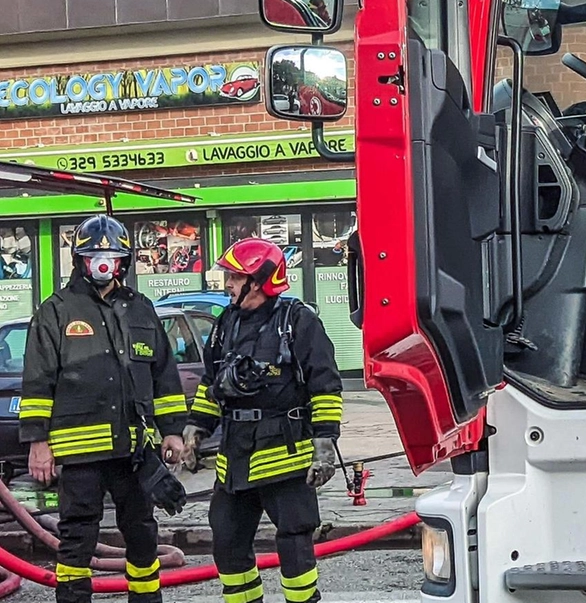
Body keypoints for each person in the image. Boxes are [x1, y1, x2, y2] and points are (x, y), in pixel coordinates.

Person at [19, 214, 187, 603]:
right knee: (77, 539)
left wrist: (174, 430)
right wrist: (37, 442)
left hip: (133, 452)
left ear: (123, 261)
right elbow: (38, 381)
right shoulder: (56, 310)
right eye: (94, 254)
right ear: (80, 259)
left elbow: (164, 375)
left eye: (110, 255)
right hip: (80, 455)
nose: (102, 262)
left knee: (143, 535)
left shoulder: (141, 309)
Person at [182, 238, 343, 603]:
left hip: (285, 456)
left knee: (294, 540)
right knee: (226, 538)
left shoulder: (298, 321)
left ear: (257, 280)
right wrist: (197, 428)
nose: (227, 284)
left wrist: (324, 446)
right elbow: (213, 383)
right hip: (235, 456)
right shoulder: (226, 323)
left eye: (235, 277)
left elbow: (326, 387)